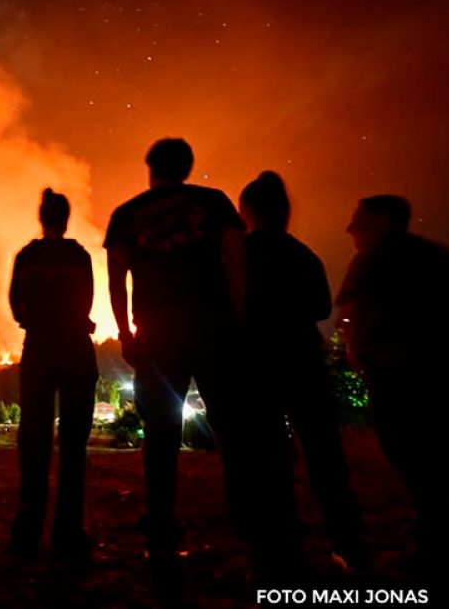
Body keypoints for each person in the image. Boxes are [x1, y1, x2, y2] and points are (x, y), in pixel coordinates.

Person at [105, 139, 304, 590]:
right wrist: (237, 316)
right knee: (232, 426)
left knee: (159, 433)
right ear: (189, 166)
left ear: (150, 168)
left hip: (156, 329)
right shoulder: (213, 203)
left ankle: (161, 525)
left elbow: (116, 276)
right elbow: (237, 259)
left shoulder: (126, 214)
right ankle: (248, 520)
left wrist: (126, 331)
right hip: (212, 322)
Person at [239, 171, 367, 571]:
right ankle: (348, 543)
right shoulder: (303, 255)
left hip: (257, 363)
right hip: (302, 360)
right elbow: (322, 309)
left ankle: (279, 547)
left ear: (248, 212)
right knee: (324, 455)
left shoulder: (237, 254)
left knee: (267, 457)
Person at [336, 195, 449, 596]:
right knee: (441, 465)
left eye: (357, 220)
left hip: (397, 379)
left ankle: (438, 557)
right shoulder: (437, 258)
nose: (350, 229)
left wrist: (359, 353)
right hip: (444, 376)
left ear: (382, 220)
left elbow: (353, 317)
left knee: (419, 468)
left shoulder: (372, 262)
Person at [8, 188, 99, 562]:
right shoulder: (79, 256)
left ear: (42, 218)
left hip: (39, 350)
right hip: (76, 350)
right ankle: (67, 533)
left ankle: (27, 533)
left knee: (34, 443)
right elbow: (87, 301)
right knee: (74, 447)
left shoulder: (27, 256)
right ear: (66, 218)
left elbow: (16, 305)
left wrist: (35, 319)